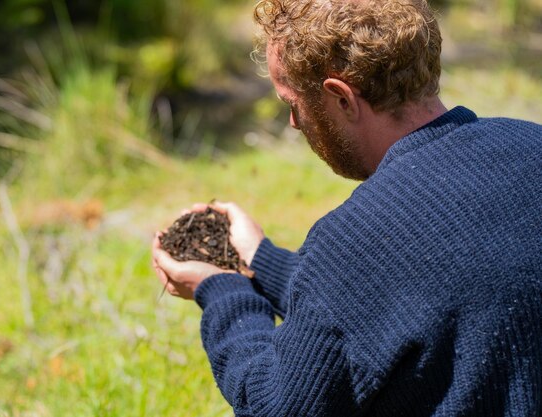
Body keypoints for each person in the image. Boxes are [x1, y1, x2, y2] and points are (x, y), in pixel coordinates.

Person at [152, 0, 542, 415]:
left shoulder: (359, 239)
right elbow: (394, 300)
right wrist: (260, 260)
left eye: (292, 102)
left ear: (341, 97)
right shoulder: (530, 146)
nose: (294, 122)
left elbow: (275, 406)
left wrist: (221, 289)